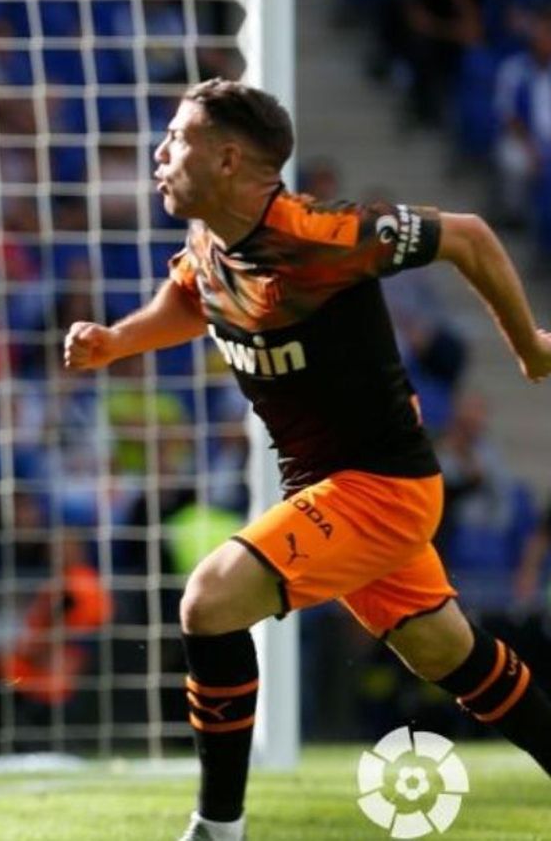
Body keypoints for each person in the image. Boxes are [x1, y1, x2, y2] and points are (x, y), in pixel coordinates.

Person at [64, 78, 551, 841]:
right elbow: (192, 299)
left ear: (227, 160)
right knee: (443, 650)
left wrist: (529, 349)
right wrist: (119, 341)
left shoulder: (322, 236)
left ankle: (217, 829)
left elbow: (470, 235)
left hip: (382, 486)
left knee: (208, 600)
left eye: (177, 140)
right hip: (332, 486)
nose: (159, 154)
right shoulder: (211, 241)